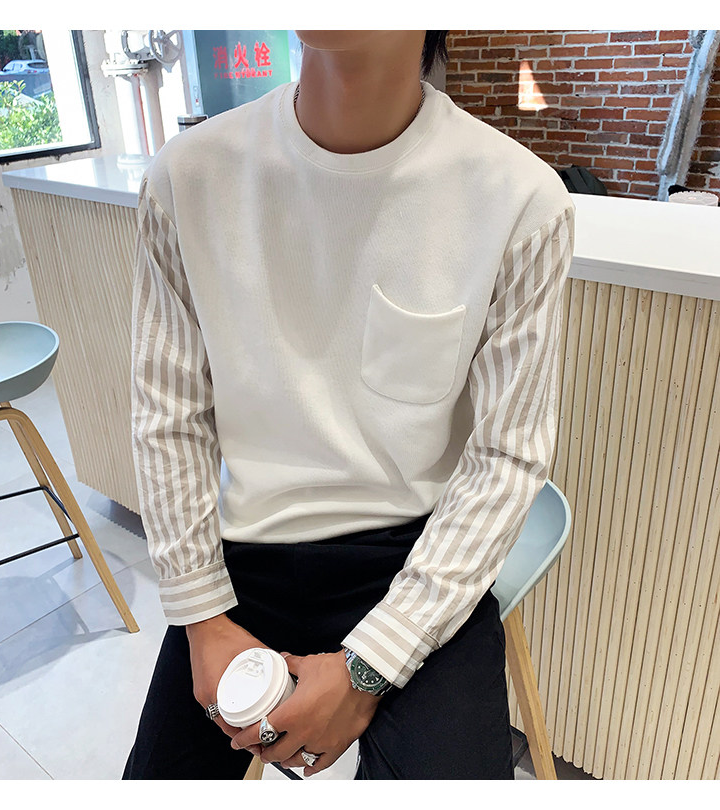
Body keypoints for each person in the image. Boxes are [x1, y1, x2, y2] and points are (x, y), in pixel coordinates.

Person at [123, 30, 575, 780]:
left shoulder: (519, 199)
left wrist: (368, 667)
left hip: (414, 555)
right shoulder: (189, 176)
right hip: (244, 556)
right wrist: (200, 614)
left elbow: (507, 455)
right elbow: (169, 414)